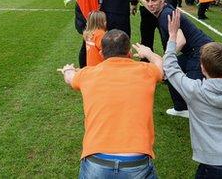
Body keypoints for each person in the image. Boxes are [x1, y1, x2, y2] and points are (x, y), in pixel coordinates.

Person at [59, 29, 163, 179]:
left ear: (101, 55)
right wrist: (148, 53)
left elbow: (70, 77)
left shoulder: (87, 74)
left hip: (96, 160)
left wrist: (67, 69)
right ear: (128, 52)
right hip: (136, 162)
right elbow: (160, 64)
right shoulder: (146, 71)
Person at [164, 9, 222, 178]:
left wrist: (172, 36)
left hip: (213, 167)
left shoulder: (194, 90)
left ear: (202, 67)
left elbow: (170, 68)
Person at [131, 0, 213, 118]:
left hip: (201, 52)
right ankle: (181, 108)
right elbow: (150, 7)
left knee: (192, 90)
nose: (151, 4)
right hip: (195, 50)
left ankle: (203, 113)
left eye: (154, 0)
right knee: (168, 71)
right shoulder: (162, 9)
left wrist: (166, 59)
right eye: (148, 0)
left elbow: (180, 41)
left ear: (162, 0)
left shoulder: (165, 16)